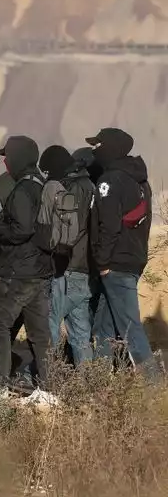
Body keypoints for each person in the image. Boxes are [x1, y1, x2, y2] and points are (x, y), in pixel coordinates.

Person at [0, 136, 55, 408]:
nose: (4, 162)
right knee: (40, 334)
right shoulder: (42, 185)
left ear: (18, 157)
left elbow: (22, 230)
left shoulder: (22, 189)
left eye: (7, 156)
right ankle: (49, 391)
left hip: (19, 272)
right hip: (41, 270)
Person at [87, 128, 158, 375]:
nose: (94, 150)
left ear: (111, 148)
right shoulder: (140, 181)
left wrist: (103, 262)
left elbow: (109, 225)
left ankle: (153, 386)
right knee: (105, 326)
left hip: (115, 264)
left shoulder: (109, 181)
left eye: (98, 145)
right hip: (132, 260)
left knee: (129, 327)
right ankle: (100, 379)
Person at [39, 145, 97, 365]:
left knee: (48, 323)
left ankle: (44, 377)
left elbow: (70, 229)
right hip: (85, 268)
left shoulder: (73, 189)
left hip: (69, 267)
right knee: (80, 332)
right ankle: (88, 384)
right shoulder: (91, 186)